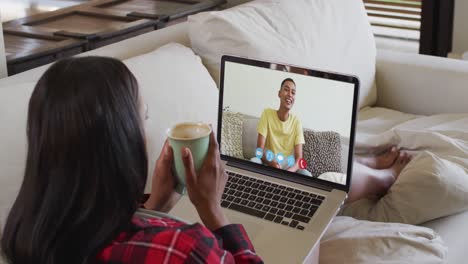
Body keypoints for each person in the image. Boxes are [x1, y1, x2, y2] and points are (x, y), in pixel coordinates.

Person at [0, 57, 263, 264]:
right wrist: (212, 209)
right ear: (121, 140)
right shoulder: (184, 249)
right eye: (143, 118)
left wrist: (154, 206)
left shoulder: (24, 235)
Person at [251, 78, 312, 176]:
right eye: (286, 90)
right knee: (254, 161)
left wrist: (288, 172)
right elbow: (259, 150)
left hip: (289, 167)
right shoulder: (267, 114)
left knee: (307, 174)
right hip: (269, 163)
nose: (290, 95)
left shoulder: (296, 122)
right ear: (279, 93)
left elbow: (299, 159)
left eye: (293, 92)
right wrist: (273, 164)